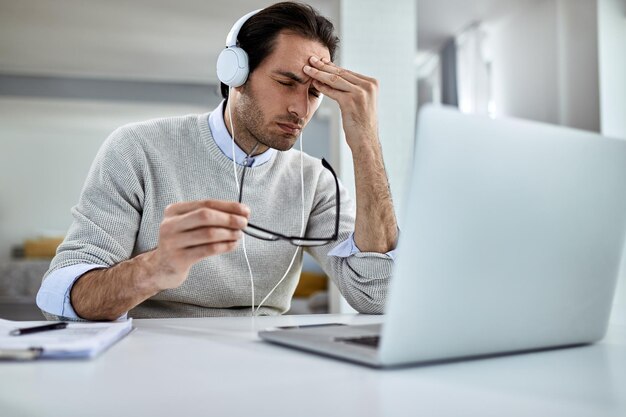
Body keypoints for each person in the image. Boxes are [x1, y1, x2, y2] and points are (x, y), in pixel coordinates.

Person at [36, 1, 398, 321]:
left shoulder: (315, 181)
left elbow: (377, 297)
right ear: (234, 73)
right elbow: (57, 296)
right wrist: (156, 267)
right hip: (149, 360)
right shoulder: (139, 148)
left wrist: (365, 143)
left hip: (268, 365)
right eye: (287, 82)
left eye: (315, 92)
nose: (301, 109)